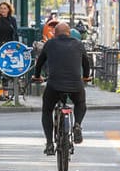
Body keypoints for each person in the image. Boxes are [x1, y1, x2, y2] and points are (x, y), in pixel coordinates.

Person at [29, 22, 93, 153]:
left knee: (47, 111)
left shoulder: (50, 44)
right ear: (69, 33)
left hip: (54, 85)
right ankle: (77, 125)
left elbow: (40, 62)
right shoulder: (78, 44)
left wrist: (36, 76)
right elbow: (86, 63)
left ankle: (49, 144)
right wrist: (86, 77)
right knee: (80, 103)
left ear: (55, 33)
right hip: (76, 84)